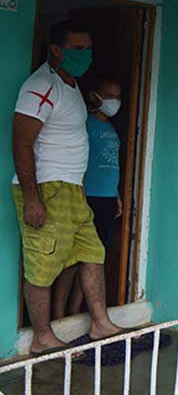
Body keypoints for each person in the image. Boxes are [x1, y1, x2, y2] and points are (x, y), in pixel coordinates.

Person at [12, 20, 126, 355]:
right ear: (56, 50)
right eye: (78, 48)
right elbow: (21, 143)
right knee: (42, 263)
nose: (86, 54)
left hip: (74, 189)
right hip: (47, 188)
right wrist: (33, 198)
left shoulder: (71, 85)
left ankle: (100, 323)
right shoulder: (40, 86)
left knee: (93, 253)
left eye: (88, 47)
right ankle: (42, 337)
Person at [52, 77, 123, 319]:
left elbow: (111, 165)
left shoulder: (111, 129)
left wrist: (117, 196)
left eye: (117, 96)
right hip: (86, 197)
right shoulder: (85, 125)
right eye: (110, 95)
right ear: (94, 97)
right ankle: (59, 313)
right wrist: (79, 194)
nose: (115, 102)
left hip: (107, 199)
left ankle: (76, 308)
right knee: (73, 259)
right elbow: (78, 162)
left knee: (94, 257)